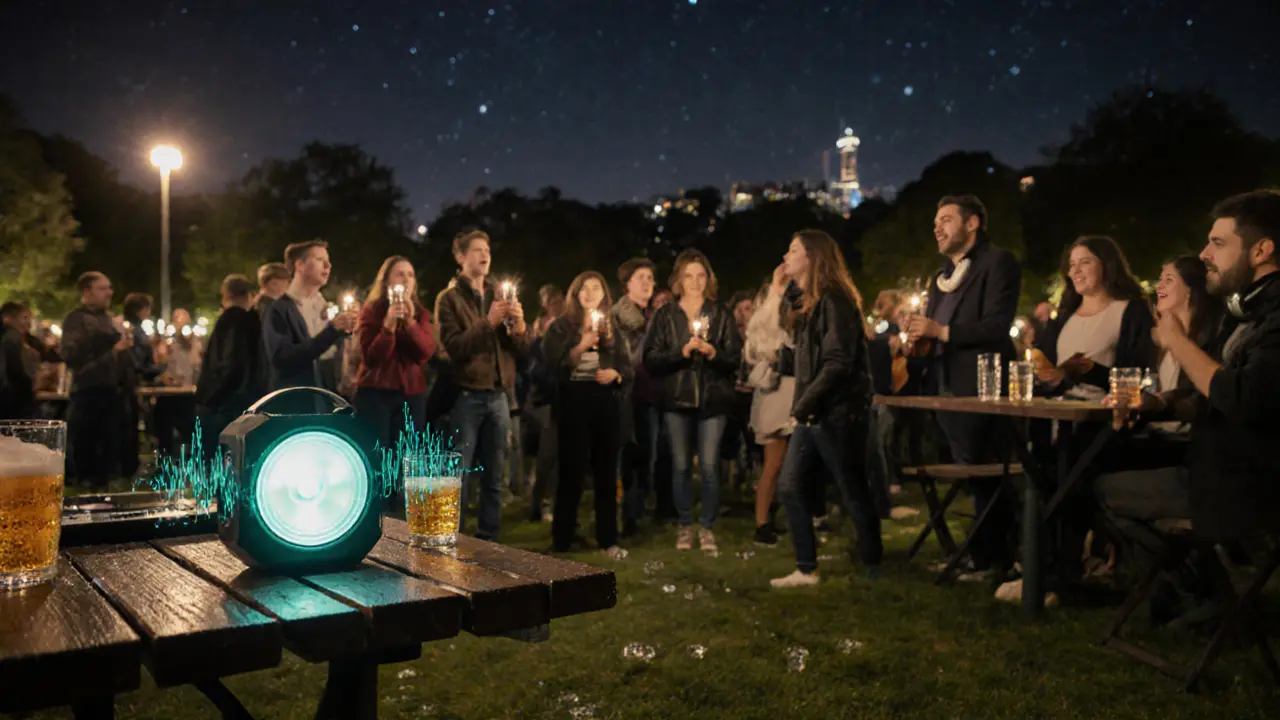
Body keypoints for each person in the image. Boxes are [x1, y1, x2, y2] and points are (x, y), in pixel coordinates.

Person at [1096, 190, 1280, 621]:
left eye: (1217, 243)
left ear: (1262, 249)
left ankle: (1206, 595)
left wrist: (1176, 340)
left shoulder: (1274, 319)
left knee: (1101, 492)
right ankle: (1205, 593)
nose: (1203, 255)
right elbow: (1206, 398)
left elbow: (1241, 398)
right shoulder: (1244, 313)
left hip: (1248, 489)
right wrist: (1157, 404)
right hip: (1215, 474)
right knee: (1097, 471)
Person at [906, 195, 1022, 579]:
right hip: (946, 385)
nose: (936, 228)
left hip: (984, 386)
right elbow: (939, 332)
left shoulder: (997, 262)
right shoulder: (941, 275)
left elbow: (995, 326)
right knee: (971, 476)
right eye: (934, 222)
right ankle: (981, 554)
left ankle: (1001, 559)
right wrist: (919, 340)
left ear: (973, 223)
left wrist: (940, 331)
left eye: (946, 219)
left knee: (988, 473)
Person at [770, 230, 882, 588]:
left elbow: (837, 362)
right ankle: (806, 567)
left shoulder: (834, 300)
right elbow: (800, 352)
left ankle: (871, 563)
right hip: (813, 410)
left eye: (793, 250)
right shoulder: (808, 302)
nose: (785, 256)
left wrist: (802, 405)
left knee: (851, 489)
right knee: (789, 485)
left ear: (813, 257)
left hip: (836, 411)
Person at [435, 229, 532, 541]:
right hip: (467, 395)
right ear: (461, 257)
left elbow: (522, 352)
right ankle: (455, 539)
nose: (484, 255)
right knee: (459, 474)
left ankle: (489, 539)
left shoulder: (500, 295)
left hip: (499, 395)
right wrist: (488, 322)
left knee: (495, 473)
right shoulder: (448, 299)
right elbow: (456, 348)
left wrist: (519, 328)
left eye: (487, 249)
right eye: (476, 249)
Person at [644, 248, 742, 553]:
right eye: (689, 276)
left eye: (701, 275)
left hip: (713, 400)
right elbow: (651, 360)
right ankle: (685, 524)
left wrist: (714, 354)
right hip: (677, 399)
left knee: (711, 466)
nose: (695, 281)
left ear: (708, 279)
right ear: (679, 280)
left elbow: (735, 357)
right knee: (682, 465)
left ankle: (707, 526)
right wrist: (680, 353)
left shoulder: (720, 313)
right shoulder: (666, 315)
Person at [541, 271, 633, 557]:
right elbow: (553, 366)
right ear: (576, 294)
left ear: (604, 294)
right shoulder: (560, 327)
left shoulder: (613, 329)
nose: (591, 293)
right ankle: (563, 538)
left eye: (596, 288)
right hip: (574, 400)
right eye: (585, 288)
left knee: (606, 471)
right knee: (572, 471)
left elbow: (628, 367)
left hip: (605, 400)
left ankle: (608, 538)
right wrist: (582, 343)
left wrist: (616, 373)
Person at [1034, 236, 1155, 399]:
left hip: (1101, 417)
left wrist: (1090, 370)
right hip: (1060, 416)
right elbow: (1048, 377)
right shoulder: (1064, 316)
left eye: (1085, 262)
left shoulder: (1131, 312)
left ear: (1107, 266)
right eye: (1072, 264)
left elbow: (1136, 379)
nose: (1075, 271)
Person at [262, 240, 358, 412]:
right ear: (300, 265)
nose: (328, 265)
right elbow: (282, 360)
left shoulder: (326, 309)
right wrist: (331, 332)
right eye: (319, 259)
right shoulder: (280, 310)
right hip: (295, 408)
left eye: (328, 260)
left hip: (329, 405)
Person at [355, 256, 436, 454]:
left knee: (407, 460)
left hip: (411, 395)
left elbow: (425, 353)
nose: (406, 280)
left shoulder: (420, 313)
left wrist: (410, 324)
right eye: (399, 275)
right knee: (377, 459)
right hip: (376, 394)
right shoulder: (371, 311)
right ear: (386, 282)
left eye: (410, 275)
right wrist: (388, 326)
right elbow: (372, 357)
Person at [61, 272, 131, 487]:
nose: (109, 292)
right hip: (88, 390)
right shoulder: (76, 320)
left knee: (109, 442)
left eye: (109, 287)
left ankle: (106, 481)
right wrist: (111, 345)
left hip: (111, 390)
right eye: (102, 288)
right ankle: (86, 483)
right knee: (86, 443)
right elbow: (71, 354)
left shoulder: (108, 318)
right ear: (87, 292)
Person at [743, 268, 795, 546]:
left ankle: (780, 517)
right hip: (777, 398)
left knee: (788, 464)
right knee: (773, 463)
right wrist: (776, 289)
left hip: (792, 395)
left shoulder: (790, 327)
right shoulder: (766, 330)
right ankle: (762, 523)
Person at [612, 258, 659, 537]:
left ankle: (638, 510)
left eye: (650, 278)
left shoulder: (652, 315)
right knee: (628, 455)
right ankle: (627, 514)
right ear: (627, 284)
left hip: (649, 393)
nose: (646, 283)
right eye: (640, 277)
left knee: (646, 456)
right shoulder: (621, 317)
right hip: (628, 393)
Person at [195, 275, 264, 455]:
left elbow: (227, 363)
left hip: (224, 404)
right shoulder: (255, 321)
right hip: (245, 400)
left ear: (225, 294)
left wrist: (210, 397)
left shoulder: (230, 321)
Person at [526, 284, 565, 522]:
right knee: (545, 456)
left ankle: (548, 503)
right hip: (541, 400)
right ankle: (537, 502)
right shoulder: (539, 328)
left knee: (554, 457)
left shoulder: (564, 328)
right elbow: (533, 366)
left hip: (558, 398)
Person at [153, 308, 202, 459]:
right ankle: (166, 456)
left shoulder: (195, 343)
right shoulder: (166, 342)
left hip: (188, 391)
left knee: (190, 424)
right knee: (165, 423)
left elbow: (197, 363)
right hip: (169, 391)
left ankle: (191, 455)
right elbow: (160, 364)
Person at [0, 302, 39, 419]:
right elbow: (15, 371)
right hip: (12, 400)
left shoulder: (13, 337)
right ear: (8, 318)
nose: (28, 323)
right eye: (24, 318)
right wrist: (30, 386)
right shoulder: (11, 337)